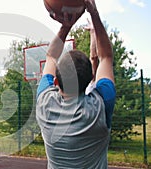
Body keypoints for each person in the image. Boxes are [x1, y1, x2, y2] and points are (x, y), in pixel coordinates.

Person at [36, 0, 116, 168]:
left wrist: (66, 26)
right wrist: (94, 13)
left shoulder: (44, 104)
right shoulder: (100, 107)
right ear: (91, 80)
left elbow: (50, 57)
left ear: (56, 81)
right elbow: (106, 57)